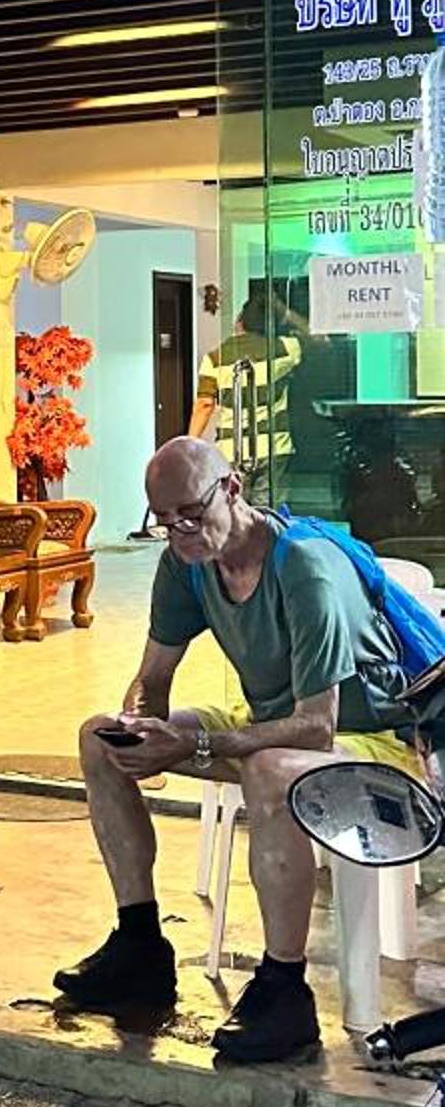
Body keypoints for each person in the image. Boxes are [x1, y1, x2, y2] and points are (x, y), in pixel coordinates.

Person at [57, 434, 416, 1063]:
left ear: (231, 488)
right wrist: (139, 724)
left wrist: (197, 742)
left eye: (191, 515)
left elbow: (317, 727)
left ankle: (285, 989)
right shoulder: (187, 564)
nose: (180, 533)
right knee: (99, 738)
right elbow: (153, 676)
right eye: (164, 521)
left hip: (371, 739)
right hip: (270, 725)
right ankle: (139, 945)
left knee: (269, 768)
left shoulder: (302, 567)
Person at [190, 281, 304, 501]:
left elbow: (204, 405)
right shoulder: (283, 349)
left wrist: (190, 444)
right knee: (267, 513)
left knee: (234, 510)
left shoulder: (214, 358)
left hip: (231, 449)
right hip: (274, 447)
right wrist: (286, 313)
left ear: (239, 321)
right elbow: (319, 339)